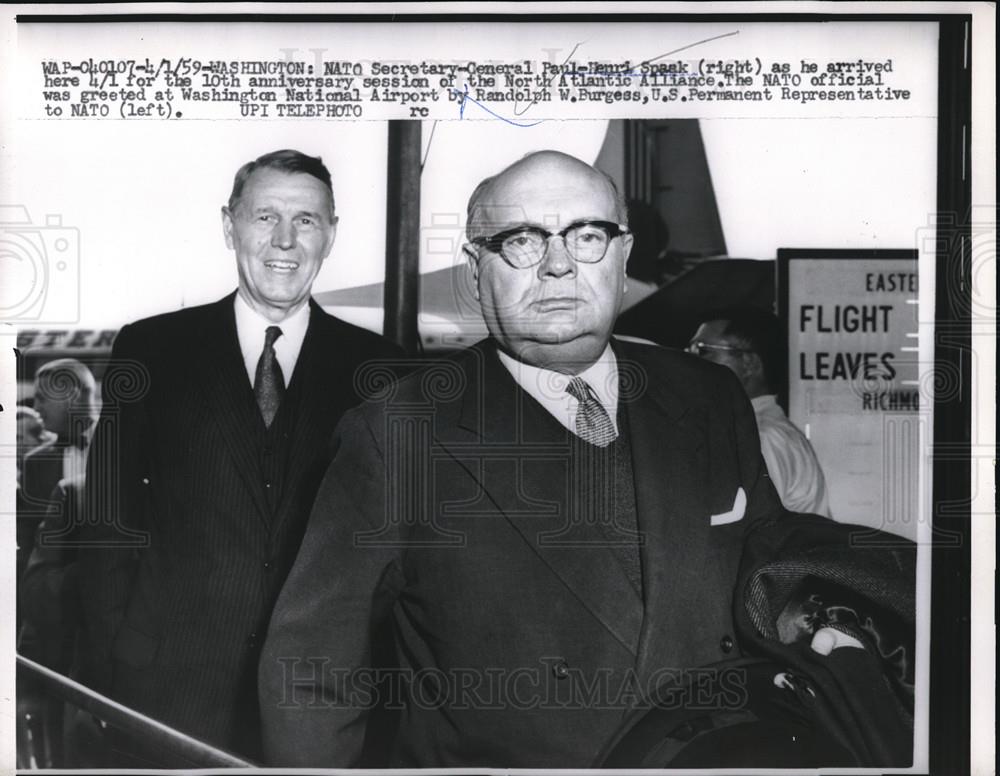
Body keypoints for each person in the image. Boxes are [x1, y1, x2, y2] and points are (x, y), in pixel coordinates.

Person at [258, 151, 888, 768]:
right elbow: (314, 674)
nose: (559, 266)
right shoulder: (396, 433)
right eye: (523, 241)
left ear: (623, 254)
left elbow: (768, 561)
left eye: (588, 235)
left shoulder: (706, 395)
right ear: (476, 268)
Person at [77, 149, 403, 762]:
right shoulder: (152, 350)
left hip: (321, 708)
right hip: (165, 695)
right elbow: (106, 528)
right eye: (264, 217)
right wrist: (106, 680)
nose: (285, 240)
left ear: (331, 234)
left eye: (306, 220)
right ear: (229, 225)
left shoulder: (384, 371)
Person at [688, 309, 831, 516]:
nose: (687, 362)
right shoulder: (755, 432)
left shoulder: (762, 438)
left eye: (701, 350)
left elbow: (746, 532)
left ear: (749, 364)